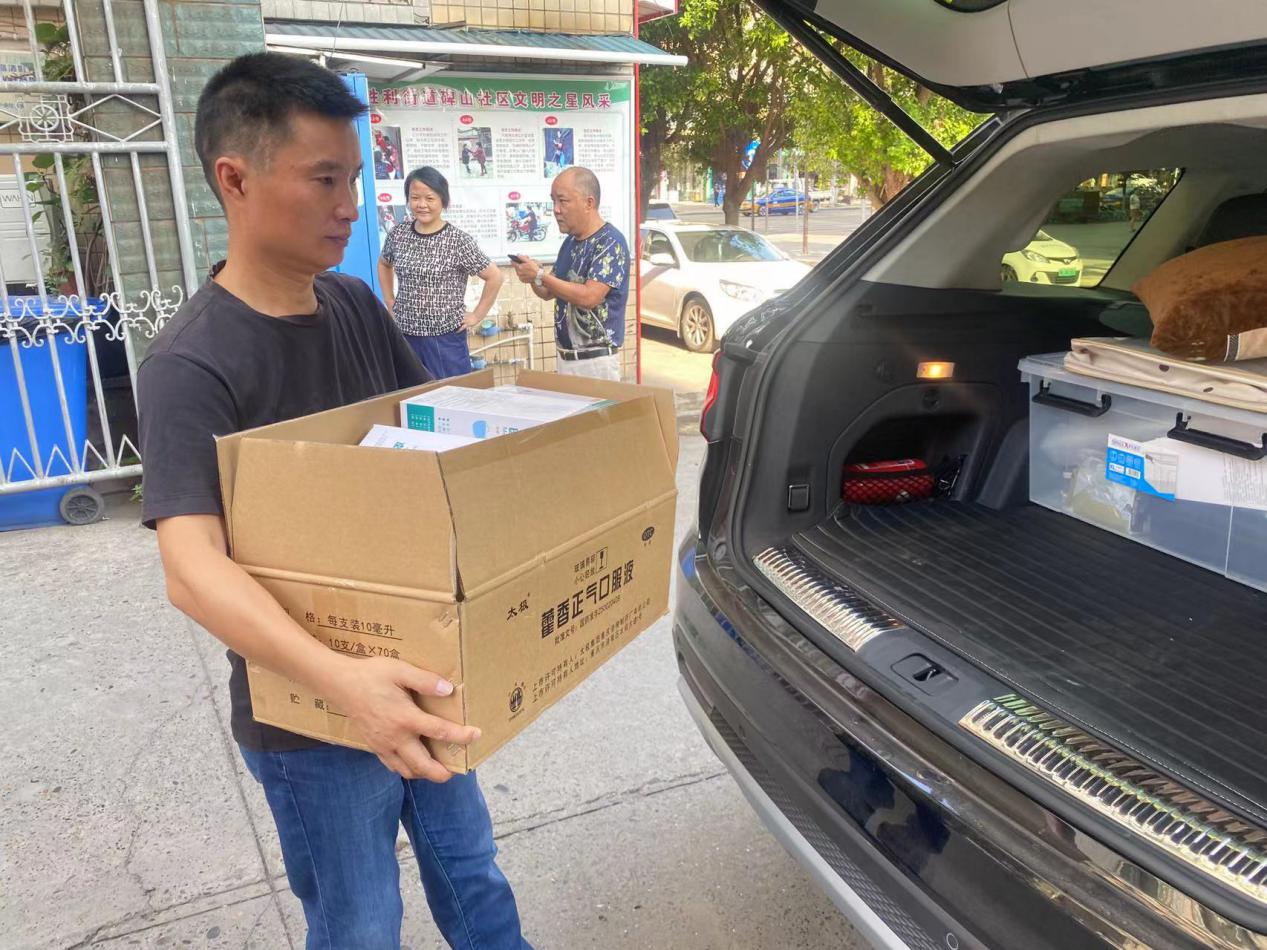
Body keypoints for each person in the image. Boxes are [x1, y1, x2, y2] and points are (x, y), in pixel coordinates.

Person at [137, 52, 528, 950]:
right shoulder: (190, 364)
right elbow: (192, 571)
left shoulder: (352, 304)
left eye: (355, 178)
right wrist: (347, 686)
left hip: (421, 673)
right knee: (359, 923)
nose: (351, 205)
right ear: (235, 179)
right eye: (324, 179)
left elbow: (434, 445)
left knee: (472, 876)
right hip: (309, 721)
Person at [379, 165, 503, 379]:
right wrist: (390, 301)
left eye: (430, 198)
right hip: (405, 335)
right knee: (411, 395)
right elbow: (384, 264)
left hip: (445, 340)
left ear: (443, 200)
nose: (421, 204)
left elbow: (495, 277)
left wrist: (477, 315)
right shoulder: (399, 234)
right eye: (415, 198)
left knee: (453, 394)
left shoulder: (457, 240)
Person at [511, 167, 629, 381]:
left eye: (563, 201)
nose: (556, 210)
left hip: (596, 362)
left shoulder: (611, 242)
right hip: (565, 358)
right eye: (553, 201)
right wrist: (532, 276)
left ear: (589, 203)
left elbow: (589, 297)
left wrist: (540, 275)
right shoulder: (570, 243)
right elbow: (547, 292)